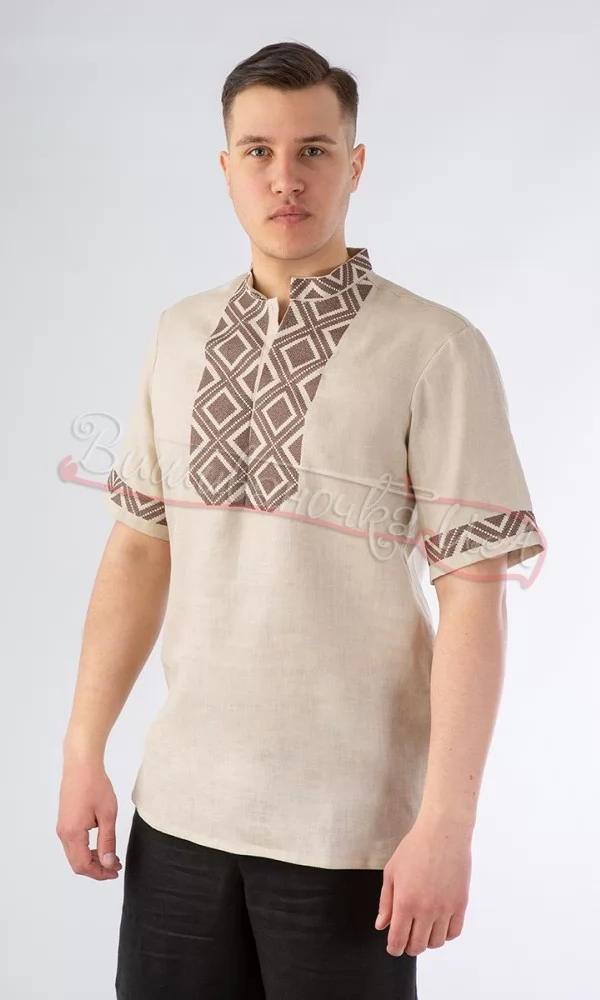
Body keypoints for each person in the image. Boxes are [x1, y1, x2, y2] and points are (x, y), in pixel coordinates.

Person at [56, 40, 546, 1000]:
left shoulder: (435, 347)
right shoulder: (179, 333)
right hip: (178, 818)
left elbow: (475, 594)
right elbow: (139, 549)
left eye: (314, 151)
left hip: (348, 836)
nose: (287, 178)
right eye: (260, 152)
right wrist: (83, 749)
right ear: (226, 168)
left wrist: (448, 824)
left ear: (354, 165)